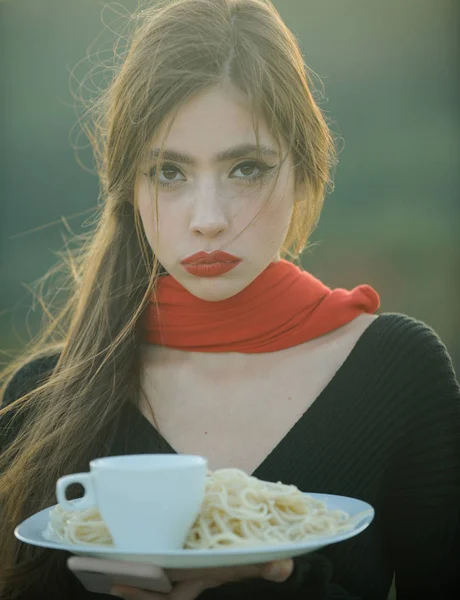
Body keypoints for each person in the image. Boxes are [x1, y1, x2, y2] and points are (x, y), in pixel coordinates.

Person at [1, 0, 459, 598]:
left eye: (246, 169)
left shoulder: (397, 371)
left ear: (304, 173)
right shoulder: (44, 399)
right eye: (169, 172)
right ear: (129, 189)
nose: (209, 220)